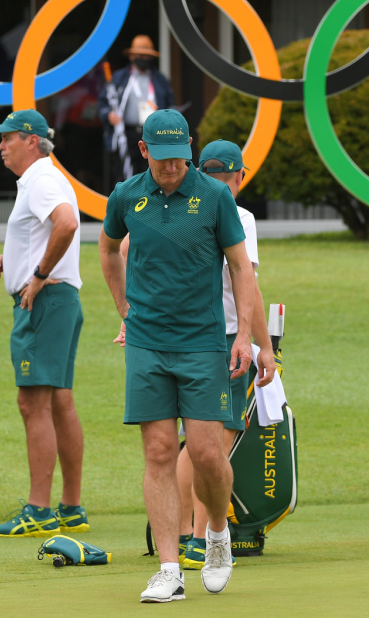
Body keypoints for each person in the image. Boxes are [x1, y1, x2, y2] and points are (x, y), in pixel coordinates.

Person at [99, 110, 276, 603]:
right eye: (163, 159)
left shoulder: (216, 198)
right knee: (157, 452)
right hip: (147, 343)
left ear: (190, 150)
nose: (172, 168)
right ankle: (169, 568)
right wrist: (123, 309)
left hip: (203, 342)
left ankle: (217, 533)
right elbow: (108, 248)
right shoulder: (127, 195)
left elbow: (242, 269)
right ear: (144, 151)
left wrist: (245, 336)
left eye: (180, 158)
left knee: (205, 453)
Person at [0, 110, 88, 538]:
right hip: (59, 299)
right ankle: (71, 506)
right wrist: (11, 264)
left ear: (30, 140)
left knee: (33, 403)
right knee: (60, 402)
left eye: (6, 138)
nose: (0, 146)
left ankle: (39, 509)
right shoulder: (43, 177)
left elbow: (66, 223)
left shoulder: (42, 178)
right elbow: (49, 233)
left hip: (46, 301)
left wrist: (38, 275)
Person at [178, 140, 274, 570]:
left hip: (181, 337)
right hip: (225, 339)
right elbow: (246, 286)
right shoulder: (238, 215)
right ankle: (201, 538)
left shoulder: (180, 208)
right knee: (215, 442)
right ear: (239, 175)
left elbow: (123, 250)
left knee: (188, 444)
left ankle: (183, 535)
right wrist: (265, 347)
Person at [97, 35, 175, 187]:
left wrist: (167, 116)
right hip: (126, 135)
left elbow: (171, 104)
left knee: (152, 173)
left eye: (146, 56)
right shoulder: (119, 78)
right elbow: (103, 103)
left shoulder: (160, 79)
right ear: (132, 56)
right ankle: (125, 207)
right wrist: (108, 115)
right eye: (140, 55)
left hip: (154, 135)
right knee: (125, 174)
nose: (143, 58)